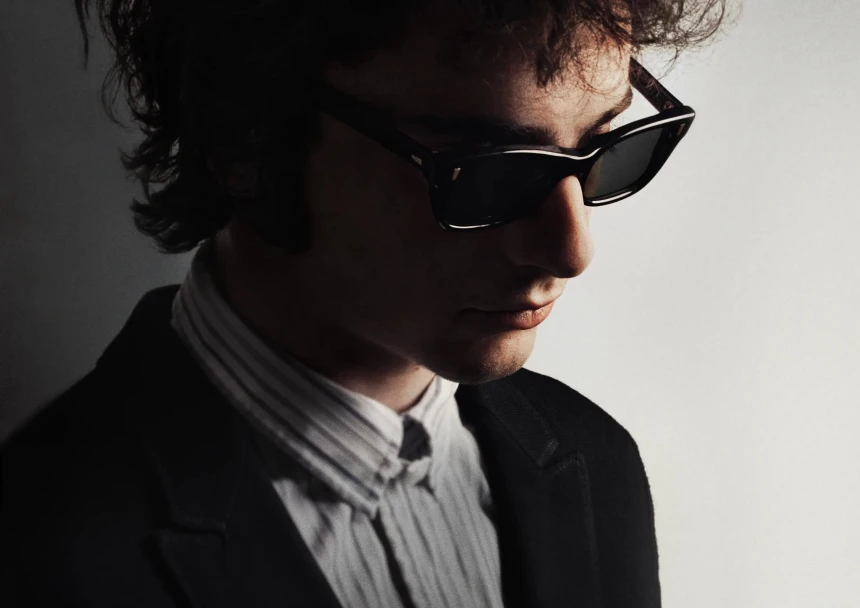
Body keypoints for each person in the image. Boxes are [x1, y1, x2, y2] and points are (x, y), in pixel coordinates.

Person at [0, 0, 726, 605]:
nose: (572, 250)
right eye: (487, 172)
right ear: (245, 140)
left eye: (605, 149)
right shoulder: (44, 548)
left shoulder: (594, 461)